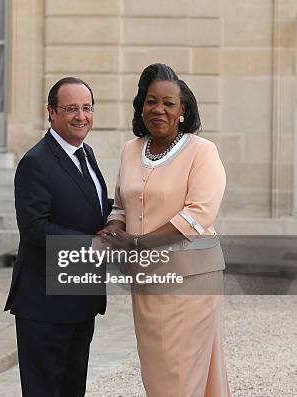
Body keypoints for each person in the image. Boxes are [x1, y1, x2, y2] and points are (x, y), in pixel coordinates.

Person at [99, 63, 231, 396]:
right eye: (150, 101)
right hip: (145, 282)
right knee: (158, 370)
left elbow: (198, 216)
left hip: (191, 282)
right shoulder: (131, 150)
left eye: (168, 103)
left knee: (180, 371)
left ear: (182, 110)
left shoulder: (202, 152)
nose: (158, 109)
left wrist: (138, 242)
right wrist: (114, 232)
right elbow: (120, 204)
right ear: (141, 106)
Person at [5, 77, 109, 397]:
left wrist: (120, 217)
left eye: (87, 108)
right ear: (51, 112)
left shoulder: (86, 152)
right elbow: (34, 227)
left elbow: (93, 207)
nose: (81, 116)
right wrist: (90, 244)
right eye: (71, 109)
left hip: (81, 297)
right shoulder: (36, 162)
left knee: (72, 389)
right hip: (45, 303)